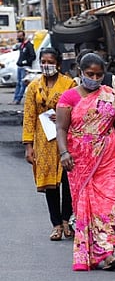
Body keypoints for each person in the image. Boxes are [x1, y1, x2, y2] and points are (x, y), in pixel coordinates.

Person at [56, 53, 115, 271]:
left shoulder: (110, 95)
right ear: (80, 73)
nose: (94, 78)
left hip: (108, 156)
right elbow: (61, 129)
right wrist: (64, 153)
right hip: (79, 159)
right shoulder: (68, 98)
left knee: (107, 205)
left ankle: (107, 253)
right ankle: (89, 255)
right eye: (90, 74)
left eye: (99, 75)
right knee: (85, 207)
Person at [22, 47, 77, 241]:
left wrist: (63, 115)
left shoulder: (69, 84)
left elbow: (77, 110)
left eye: (50, 62)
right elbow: (29, 116)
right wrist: (28, 145)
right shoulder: (33, 87)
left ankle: (66, 221)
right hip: (43, 141)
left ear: (58, 64)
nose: (46, 66)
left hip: (65, 139)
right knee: (50, 184)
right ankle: (55, 225)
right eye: (43, 62)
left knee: (67, 182)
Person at [12, 31, 35, 105]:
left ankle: (18, 99)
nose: (18, 38)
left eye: (19, 36)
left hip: (25, 67)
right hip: (20, 67)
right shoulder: (22, 45)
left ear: (23, 36)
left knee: (22, 84)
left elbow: (33, 56)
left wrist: (25, 62)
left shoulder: (29, 45)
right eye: (18, 36)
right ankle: (15, 99)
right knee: (18, 83)